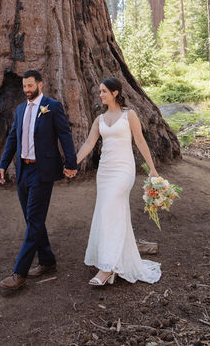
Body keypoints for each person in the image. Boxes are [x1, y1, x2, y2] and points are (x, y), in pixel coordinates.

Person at [0, 70, 79, 290]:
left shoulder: (52, 107)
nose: (26, 90)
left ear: (40, 85)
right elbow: (13, 138)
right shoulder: (20, 109)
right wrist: (3, 164)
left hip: (43, 172)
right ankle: (48, 261)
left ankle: (19, 273)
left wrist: (71, 163)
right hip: (23, 170)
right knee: (33, 219)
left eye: (30, 86)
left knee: (33, 219)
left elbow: (65, 135)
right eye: (24, 86)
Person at [76, 77, 161, 286]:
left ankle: (106, 269)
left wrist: (152, 168)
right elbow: (88, 143)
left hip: (124, 170)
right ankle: (114, 261)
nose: (100, 94)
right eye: (100, 91)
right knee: (109, 213)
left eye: (104, 91)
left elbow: (140, 141)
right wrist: (72, 163)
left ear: (115, 93)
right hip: (105, 171)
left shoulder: (129, 115)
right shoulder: (100, 119)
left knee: (109, 208)